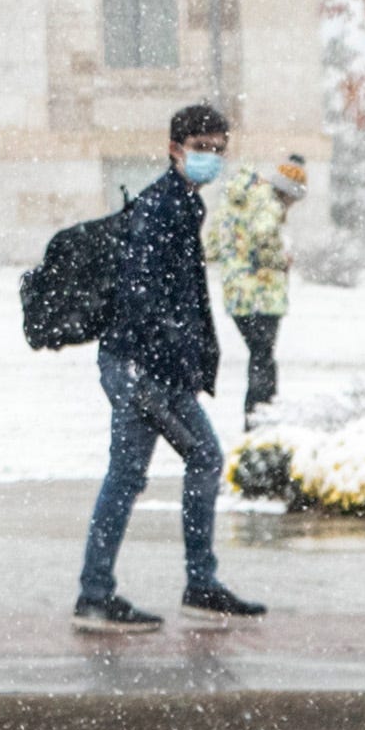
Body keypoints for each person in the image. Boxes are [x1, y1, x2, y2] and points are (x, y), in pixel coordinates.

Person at [74, 99, 262, 629]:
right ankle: (136, 590)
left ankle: (131, 589)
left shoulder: (179, 203)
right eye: (202, 149)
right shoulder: (164, 208)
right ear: (175, 149)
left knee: (136, 474)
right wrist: (170, 354)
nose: (211, 159)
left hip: (147, 367)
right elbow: (143, 294)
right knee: (187, 462)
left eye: (219, 151)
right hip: (144, 369)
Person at [207, 149, 307, 421]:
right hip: (263, 294)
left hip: (236, 293)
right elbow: (264, 235)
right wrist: (279, 259)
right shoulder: (270, 204)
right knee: (263, 357)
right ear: (287, 193)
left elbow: (212, 248)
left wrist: (237, 257)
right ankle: (259, 416)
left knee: (259, 354)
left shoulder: (233, 203)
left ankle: (259, 413)